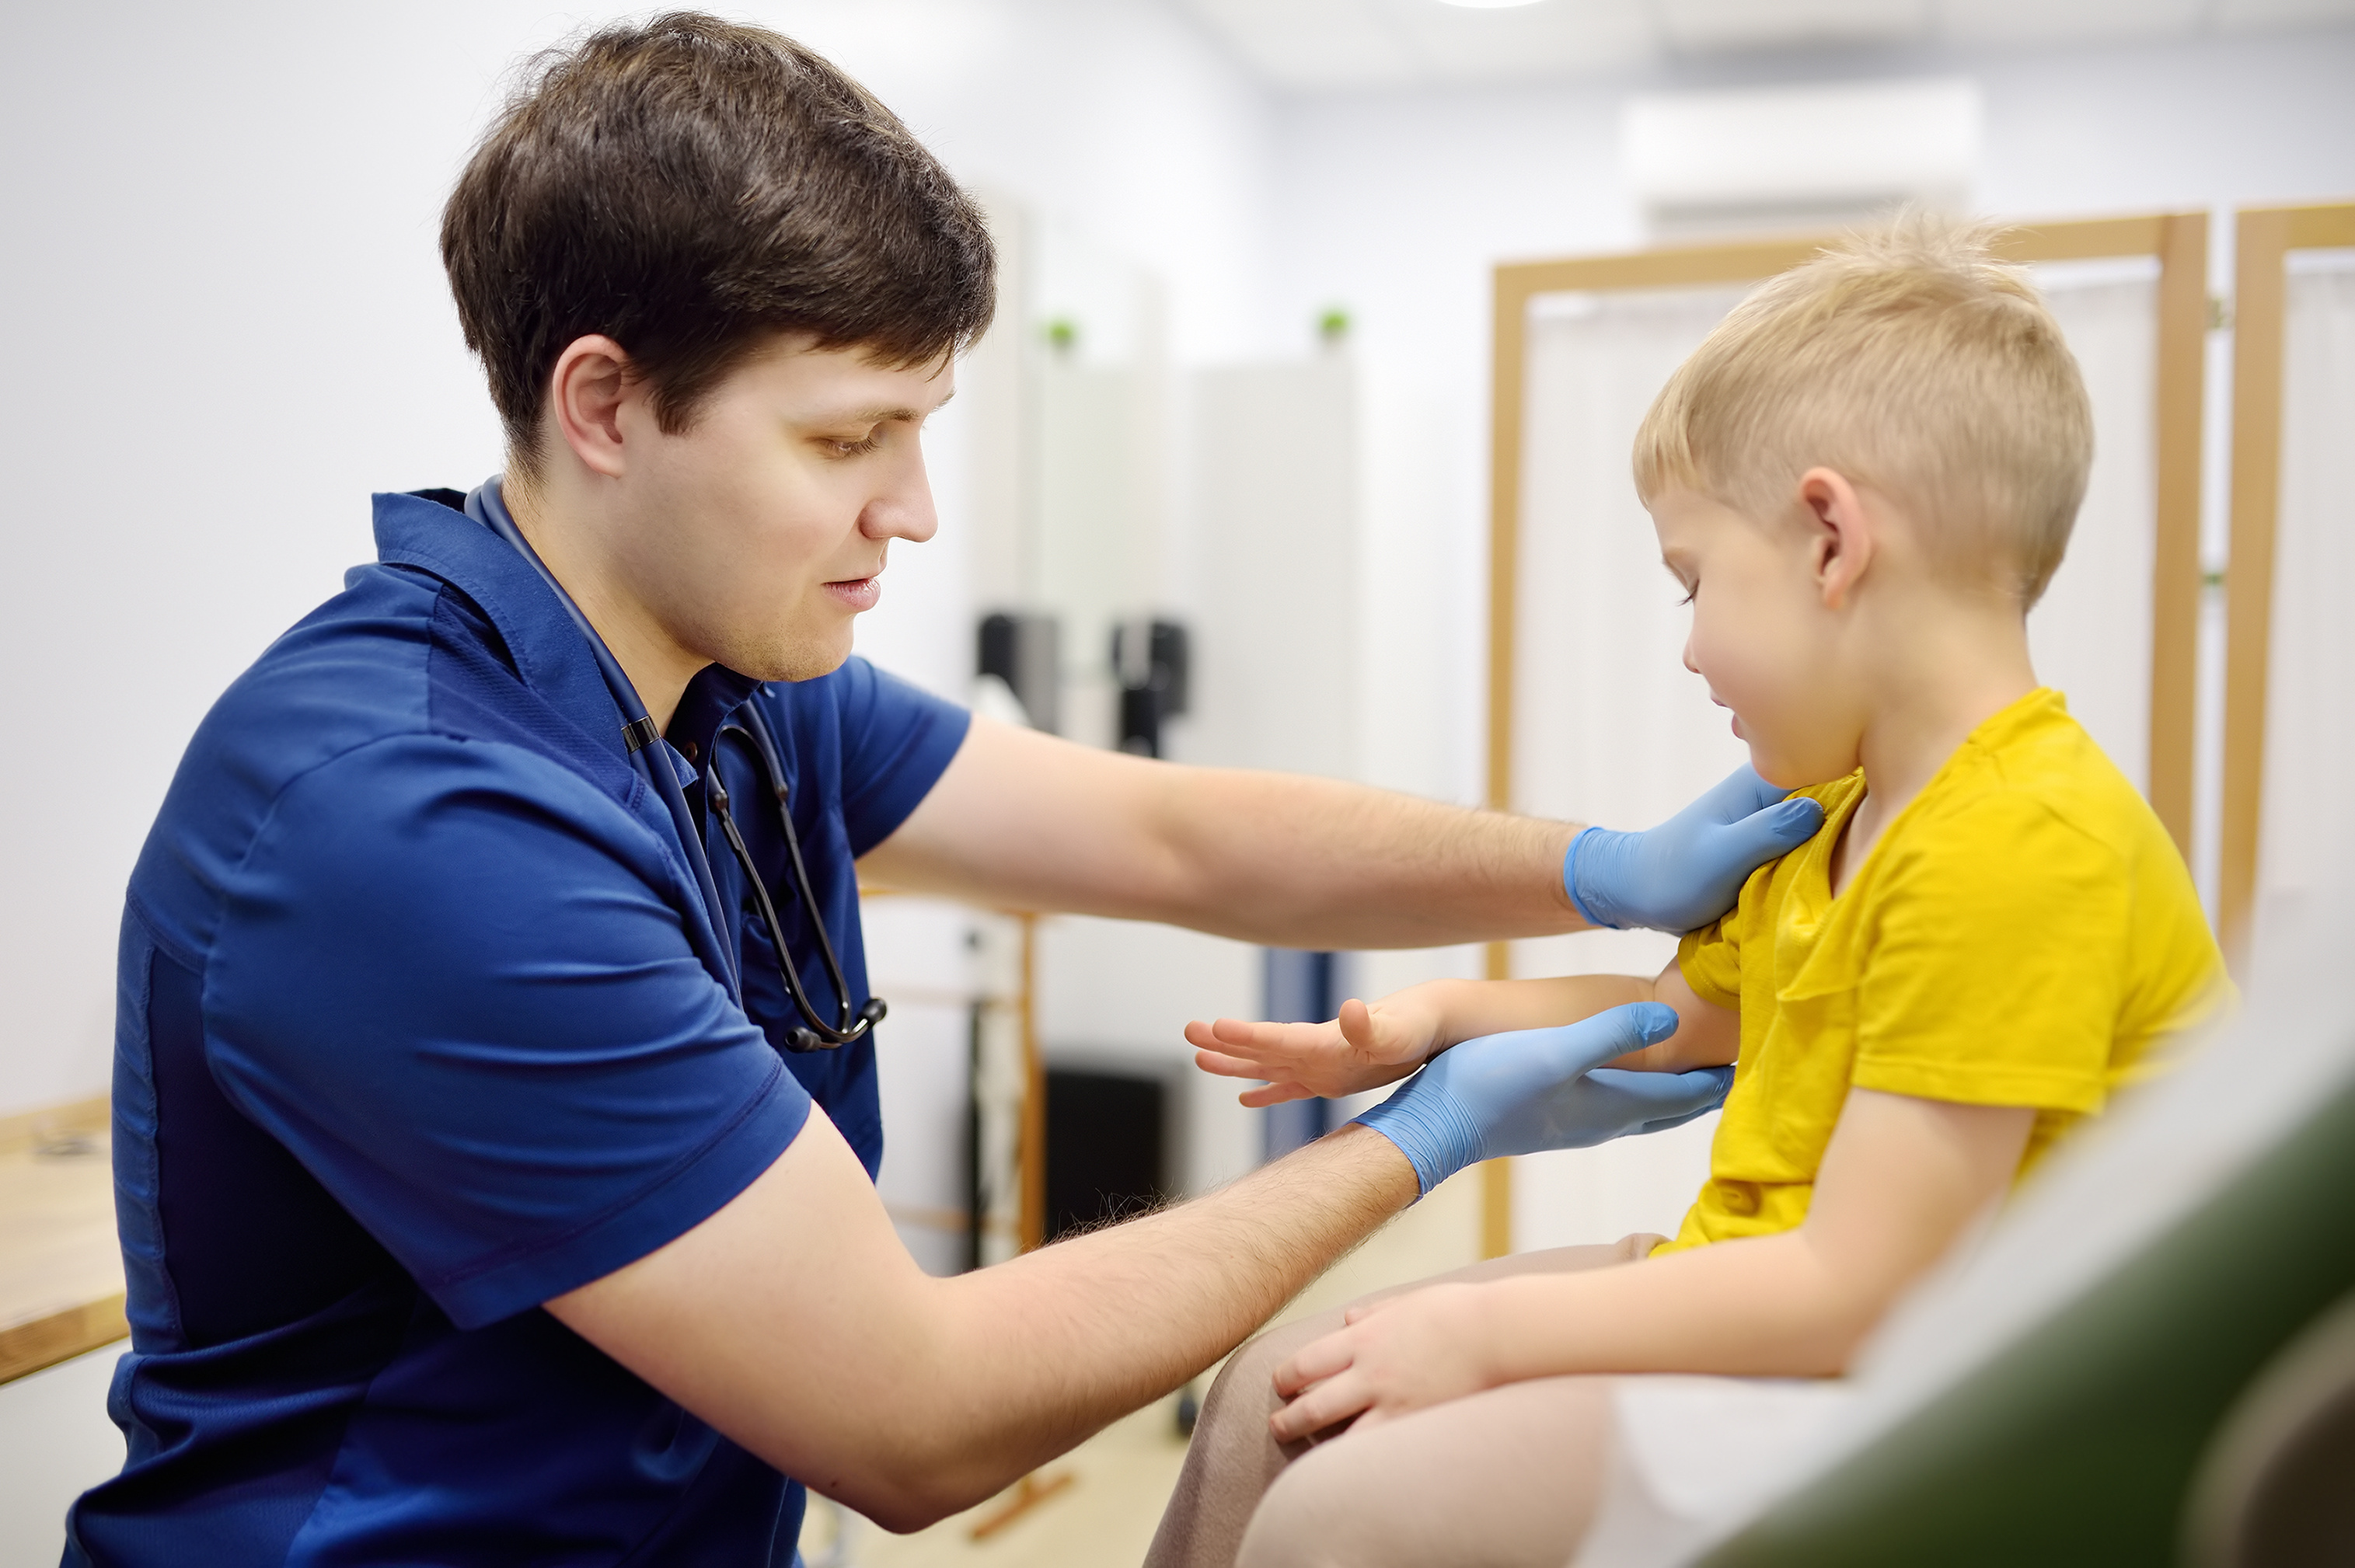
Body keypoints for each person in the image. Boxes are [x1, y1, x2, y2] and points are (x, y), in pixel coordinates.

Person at [62, 17, 1823, 1566]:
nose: (911, 509)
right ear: (603, 404)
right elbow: (912, 1414)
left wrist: (1599, 867)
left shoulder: (734, 692)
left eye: (924, 430)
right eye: (844, 441)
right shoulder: (411, 819)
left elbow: (1167, 831)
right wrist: (1421, 1134)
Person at [1155, 218, 2235, 1568]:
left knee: (1343, 1508)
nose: (1686, 648)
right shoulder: (1848, 810)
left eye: (1692, 581)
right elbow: (1674, 1015)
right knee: (1279, 1388)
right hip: (1782, 1314)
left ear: (1831, 540)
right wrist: (1432, 1015)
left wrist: (1479, 1334)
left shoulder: (2016, 840)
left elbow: (1867, 1284)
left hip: (1930, 1384)